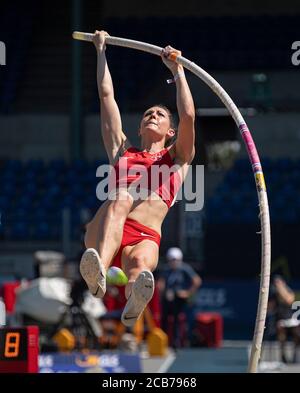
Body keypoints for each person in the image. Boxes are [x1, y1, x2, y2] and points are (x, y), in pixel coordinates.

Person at [80, 30, 196, 328]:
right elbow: (107, 97)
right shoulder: (122, 151)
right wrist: (101, 50)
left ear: (170, 132)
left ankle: (134, 300)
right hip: (105, 230)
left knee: (142, 266)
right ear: (140, 127)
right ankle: (100, 270)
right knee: (121, 196)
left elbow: (188, 117)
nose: (152, 115)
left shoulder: (178, 158)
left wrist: (178, 71)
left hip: (143, 234)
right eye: (148, 113)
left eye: (159, 114)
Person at [157, 247, 201, 348]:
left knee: (177, 320)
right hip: (167, 299)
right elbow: (161, 283)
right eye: (172, 260)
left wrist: (187, 293)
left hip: (179, 300)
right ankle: (163, 341)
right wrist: (161, 290)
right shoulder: (166, 269)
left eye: (176, 260)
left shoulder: (185, 268)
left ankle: (176, 342)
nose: (174, 262)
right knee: (164, 319)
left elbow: (197, 281)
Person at [268, 275, 300, 363]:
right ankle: (283, 355)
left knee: (297, 330)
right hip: (279, 321)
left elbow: (289, 300)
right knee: (280, 329)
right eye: (276, 283)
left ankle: (295, 353)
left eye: (279, 282)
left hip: (291, 320)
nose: (277, 285)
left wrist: (281, 288)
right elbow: (269, 309)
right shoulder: (273, 294)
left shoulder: (288, 291)